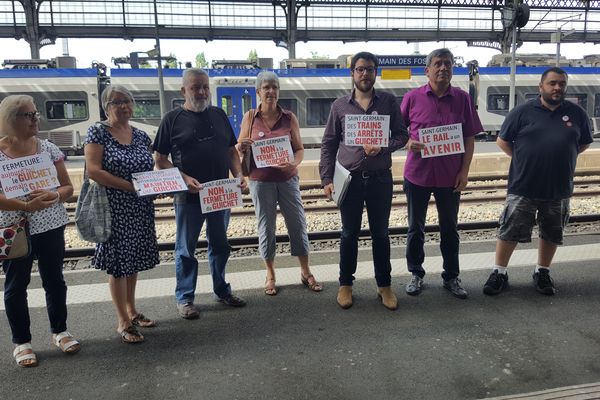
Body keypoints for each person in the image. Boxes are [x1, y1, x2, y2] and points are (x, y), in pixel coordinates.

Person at [482, 67, 593, 296]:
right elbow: (502, 141)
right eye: (552, 83)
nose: (557, 87)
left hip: (559, 187)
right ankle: (499, 272)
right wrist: (523, 158)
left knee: (551, 232)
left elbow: (582, 144)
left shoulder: (577, 113)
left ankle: (542, 272)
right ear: (540, 87)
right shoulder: (521, 112)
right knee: (509, 230)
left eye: (561, 83)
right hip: (523, 185)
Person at [154, 68, 247, 319]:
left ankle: (221, 290)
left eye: (205, 86)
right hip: (188, 197)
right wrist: (183, 179)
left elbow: (231, 152)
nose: (202, 92)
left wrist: (239, 175)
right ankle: (185, 298)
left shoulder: (218, 114)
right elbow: (160, 160)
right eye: (196, 87)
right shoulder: (171, 119)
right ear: (184, 90)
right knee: (186, 249)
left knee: (220, 245)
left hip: (220, 194)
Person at [319, 51, 408, 310]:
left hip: (380, 179)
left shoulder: (389, 102)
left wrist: (382, 148)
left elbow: (402, 135)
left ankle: (384, 286)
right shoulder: (339, 106)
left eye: (369, 69)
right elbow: (328, 144)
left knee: (381, 234)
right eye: (360, 69)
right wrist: (326, 177)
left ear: (375, 72)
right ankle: (345, 284)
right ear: (352, 73)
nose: (365, 74)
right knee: (348, 234)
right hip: (350, 180)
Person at [0, 95, 80, 367]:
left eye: (35, 113)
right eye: (28, 115)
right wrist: (24, 204)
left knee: (54, 280)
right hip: (14, 228)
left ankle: (60, 330)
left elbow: (68, 188)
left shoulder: (48, 148)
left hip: (50, 224)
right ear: (11, 120)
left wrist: (54, 196)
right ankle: (21, 342)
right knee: (15, 285)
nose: (36, 119)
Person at [400, 48, 482, 299]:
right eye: (437, 64)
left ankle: (451, 276)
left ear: (452, 69)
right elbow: (397, 132)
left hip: (450, 176)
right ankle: (416, 273)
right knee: (415, 228)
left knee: (450, 229)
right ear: (427, 70)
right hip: (417, 175)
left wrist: (464, 172)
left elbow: (469, 137)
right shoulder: (412, 97)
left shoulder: (462, 99)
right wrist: (407, 143)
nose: (443, 68)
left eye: (448, 64)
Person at [84, 85, 160, 343]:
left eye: (128, 101)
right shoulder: (97, 132)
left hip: (139, 207)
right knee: (118, 264)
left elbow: (150, 169)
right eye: (117, 102)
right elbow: (93, 170)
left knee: (134, 259)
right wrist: (131, 187)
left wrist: (160, 185)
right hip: (114, 207)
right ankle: (122, 322)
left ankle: (132, 310)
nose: (124, 106)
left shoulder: (140, 135)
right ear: (107, 106)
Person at [237, 71, 321, 296]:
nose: (271, 91)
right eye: (266, 87)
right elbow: (239, 148)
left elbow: (300, 149)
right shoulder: (249, 118)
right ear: (258, 92)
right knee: (266, 227)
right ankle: (270, 274)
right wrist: (241, 147)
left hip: (287, 179)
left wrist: (293, 163)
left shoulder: (289, 117)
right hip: (260, 181)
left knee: (297, 224)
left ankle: (305, 271)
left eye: (274, 87)